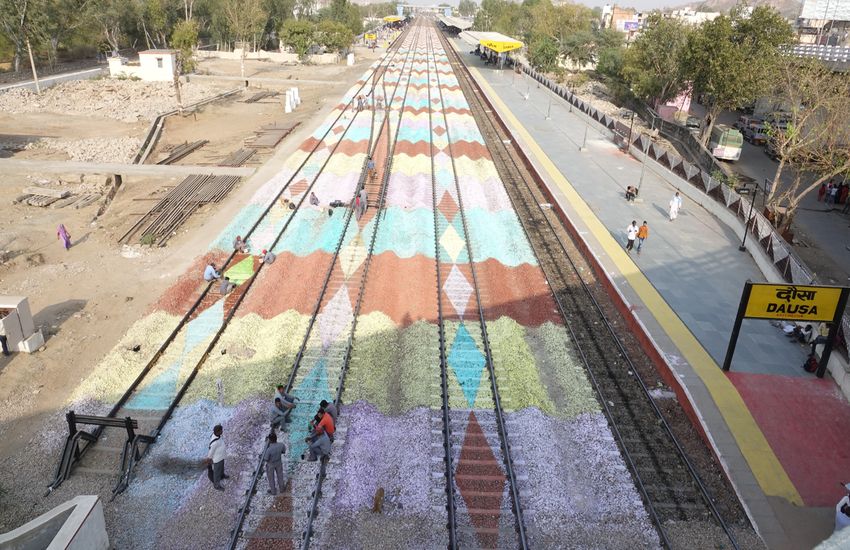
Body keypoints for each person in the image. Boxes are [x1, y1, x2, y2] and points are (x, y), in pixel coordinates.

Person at [205, 424, 228, 491]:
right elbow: (210, 453)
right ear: (217, 432)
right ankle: (216, 485)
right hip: (217, 459)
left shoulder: (217, 436)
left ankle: (222, 475)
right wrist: (209, 460)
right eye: (221, 430)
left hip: (221, 456)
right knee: (217, 472)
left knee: (221, 467)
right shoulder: (214, 443)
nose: (222, 431)